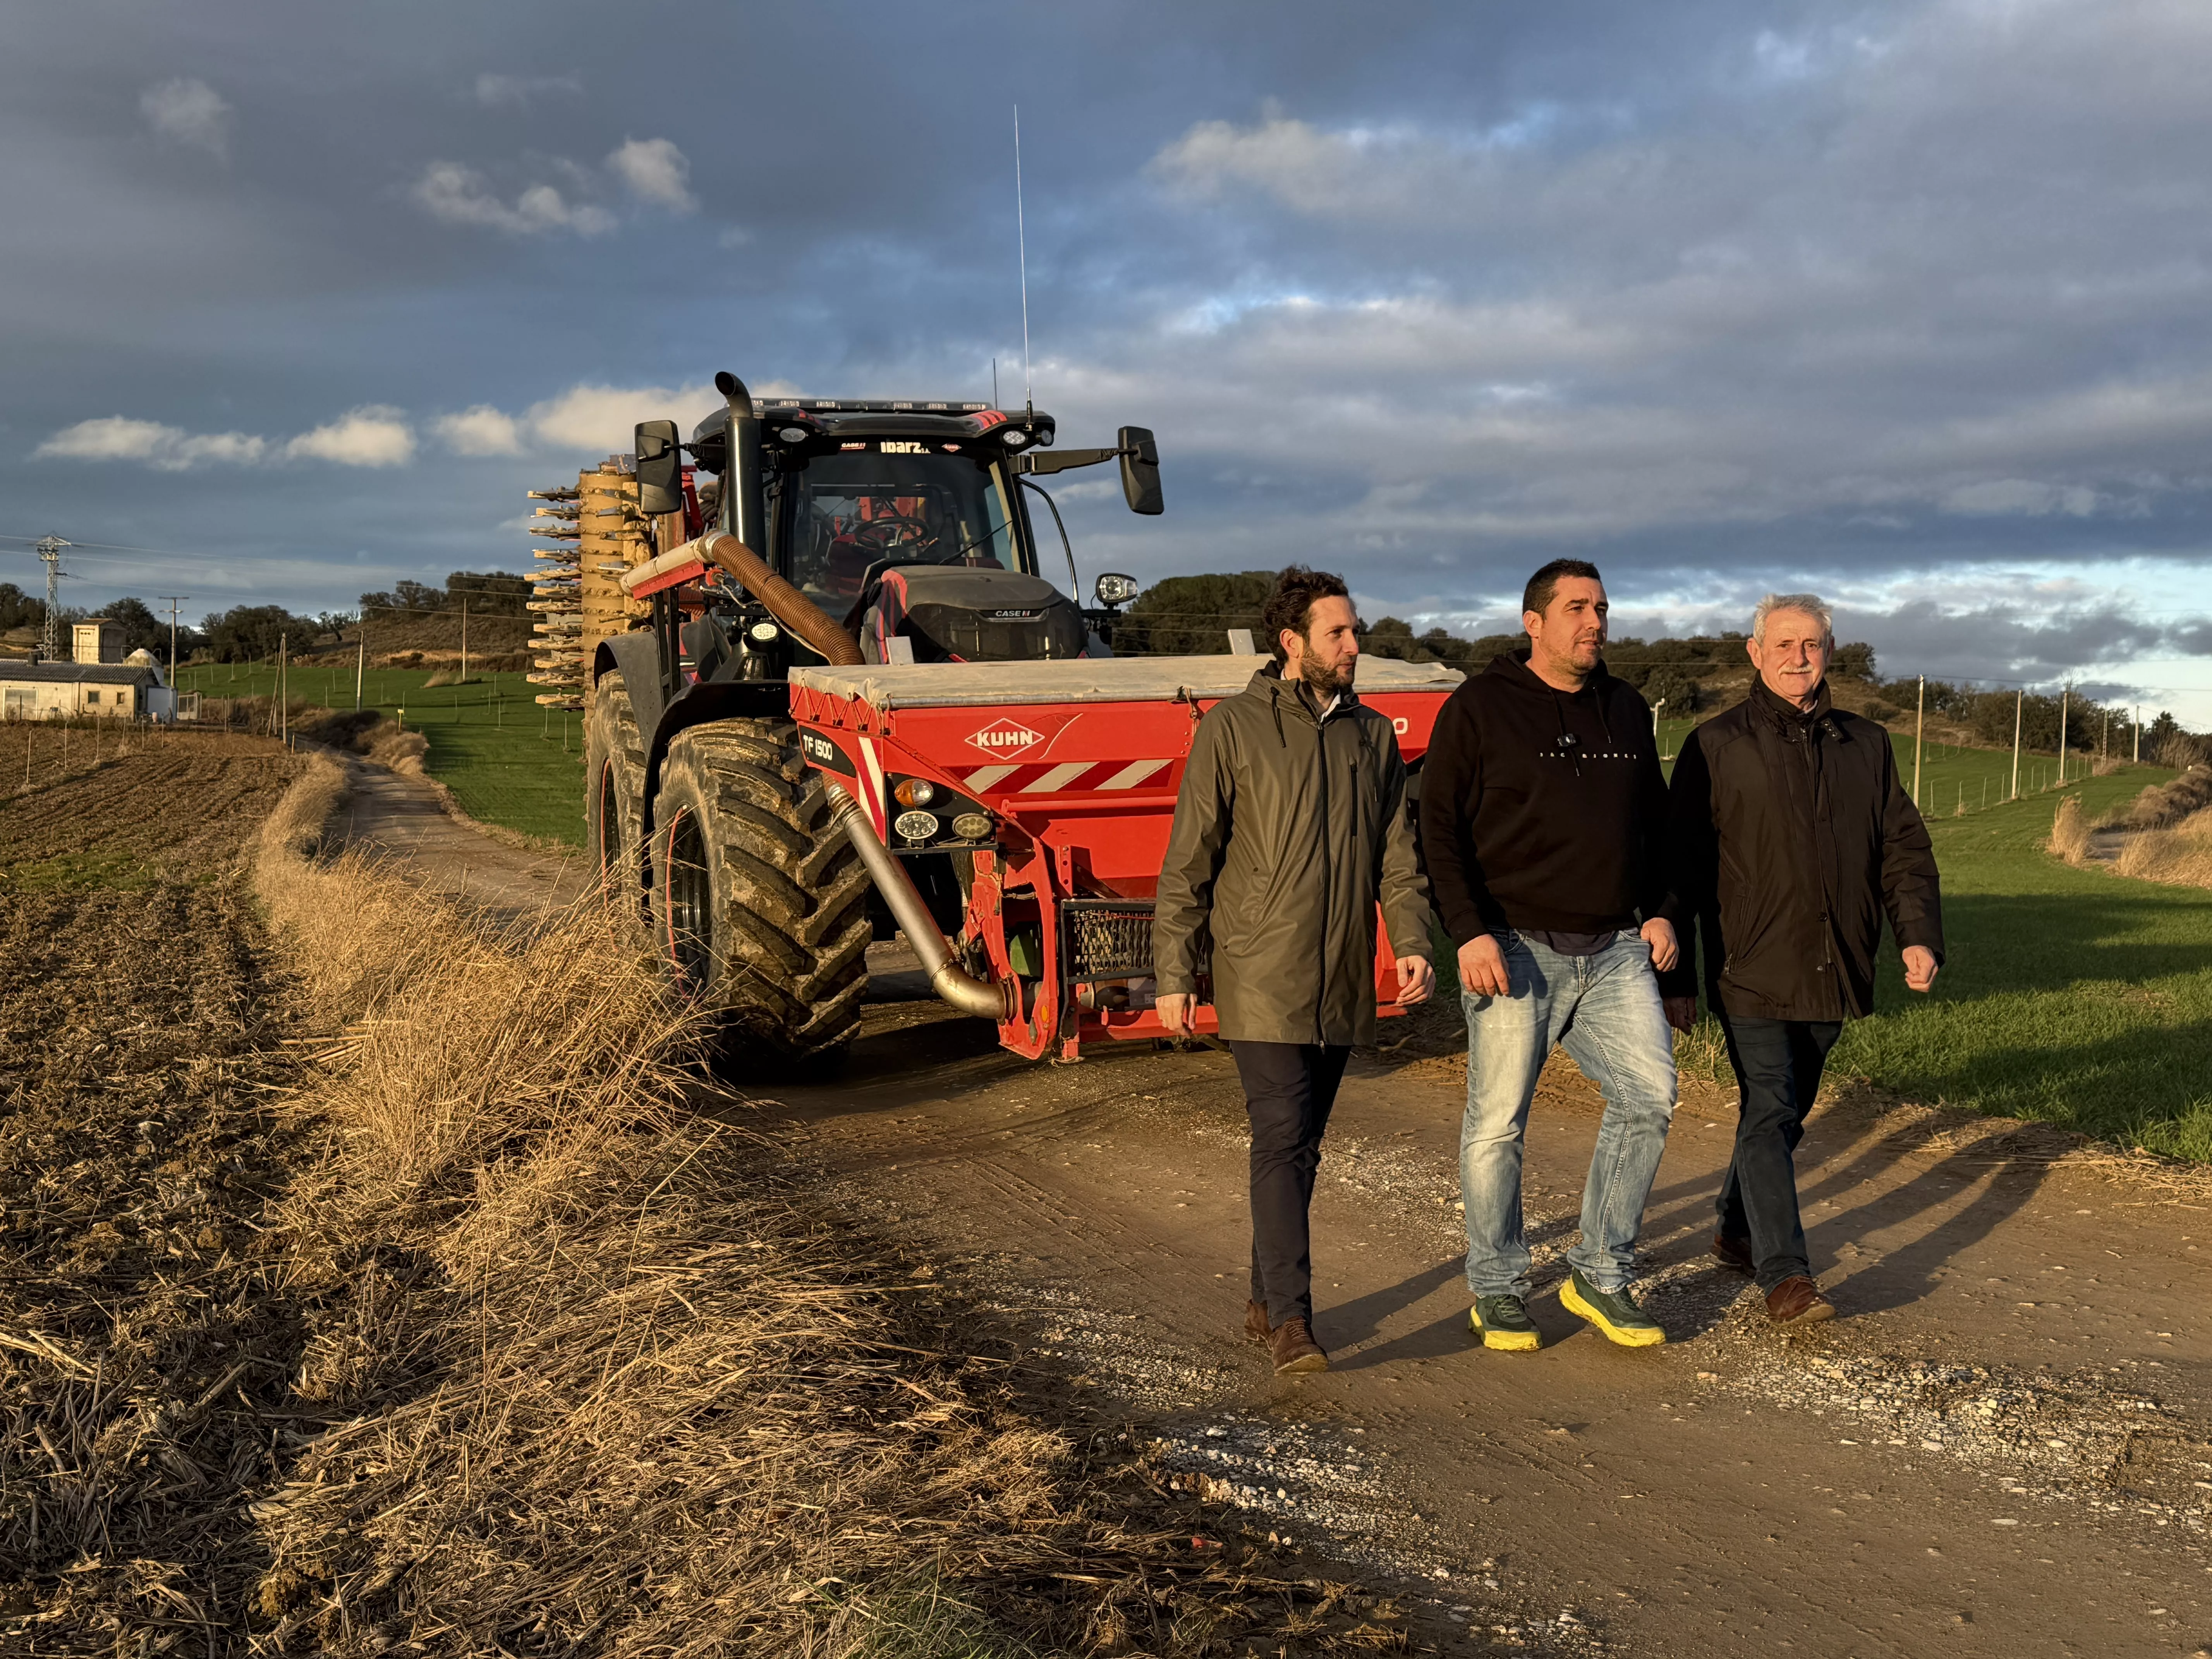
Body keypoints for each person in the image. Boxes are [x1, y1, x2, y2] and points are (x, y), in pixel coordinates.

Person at [1153, 566, 1436, 1376]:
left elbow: (1397, 858)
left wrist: (1410, 940)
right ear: (1292, 643)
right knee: (1281, 1135)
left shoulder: (1373, 737)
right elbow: (1189, 864)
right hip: (1259, 972)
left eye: (1356, 633)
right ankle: (1292, 1322)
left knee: (1302, 1145)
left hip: (1342, 974)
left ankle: (1261, 1295)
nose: (1355, 647)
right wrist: (1174, 973)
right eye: (1339, 634)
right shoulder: (1233, 731)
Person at [1419, 558, 1688, 1352]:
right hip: (1512, 946)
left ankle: (1599, 1274)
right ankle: (1498, 1289)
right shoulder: (1479, 710)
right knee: (1498, 1126)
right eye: (1576, 609)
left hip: (1613, 949)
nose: (1595, 623)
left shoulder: (1627, 710)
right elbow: (1438, 829)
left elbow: (1661, 831)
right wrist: (1467, 930)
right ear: (1533, 621)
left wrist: (1667, 914)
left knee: (1651, 1098)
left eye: (1602, 609)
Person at [1663, 594, 1943, 1325]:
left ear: (1829, 652)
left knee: (1783, 1116)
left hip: (1835, 964)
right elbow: (1680, 872)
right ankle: (1785, 1275)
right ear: (1755, 653)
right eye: (1783, 644)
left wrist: (1915, 934)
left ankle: (1733, 1224)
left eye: (1811, 645)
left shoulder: (1868, 744)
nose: (1798, 657)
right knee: (1772, 1105)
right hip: (1748, 966)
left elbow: (1902, 851)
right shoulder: (1714, 744)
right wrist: (1677, 980)